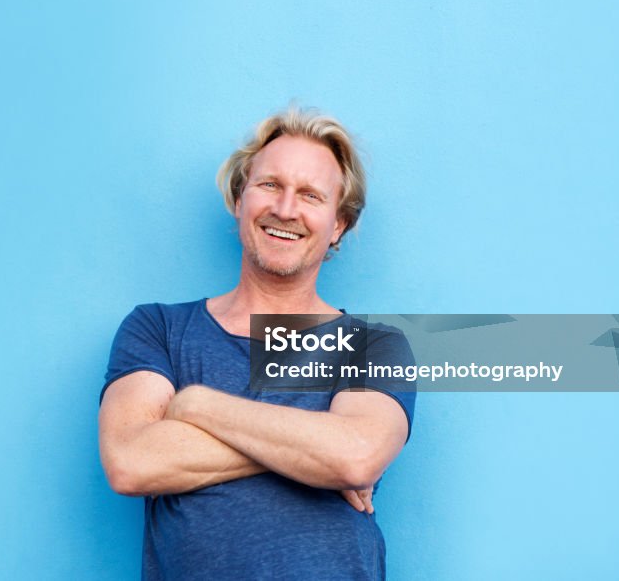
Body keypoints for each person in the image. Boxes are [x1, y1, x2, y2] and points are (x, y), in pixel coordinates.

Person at [98, 107, 417, 580]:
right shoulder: (158, 329)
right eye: (270, 185)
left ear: (338, 225)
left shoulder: (374, 345)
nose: (286, 209)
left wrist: (195, 404)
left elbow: (354, 456)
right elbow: (131, 462)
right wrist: (313, 453)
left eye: (311, 195)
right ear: (239, 198)